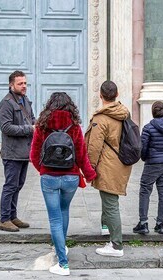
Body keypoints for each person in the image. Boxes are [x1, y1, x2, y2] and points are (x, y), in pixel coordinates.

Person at [30, 92, 96, 276]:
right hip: (71, 178)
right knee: (64, 210)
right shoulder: (74, 126)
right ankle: (62, 246)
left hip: (49, 177)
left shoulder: (42, 124)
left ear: (49, 104)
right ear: (70, 105)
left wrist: (43, 170)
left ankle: (63, 263)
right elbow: (82, 155)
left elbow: (34, 154)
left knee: (54, 218)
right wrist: (89, 174)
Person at [85, 80, 132, 257]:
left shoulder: (101, 118)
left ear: (100, 95)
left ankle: (116, 245)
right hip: (120, 162)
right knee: (109, 200)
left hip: (108, 165)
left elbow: (94, 147)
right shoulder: (123, 113)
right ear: (117, 94)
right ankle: (106, 229)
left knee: (110, 203)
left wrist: (89, 168)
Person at [133, 101, 163, 235]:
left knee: (145, 191)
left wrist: (146, 158)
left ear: (153, 112)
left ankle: (143, 223)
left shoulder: (148, 127)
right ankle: (161, 224)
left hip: (152, 163)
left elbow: (143, 147)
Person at [0, 70, 36, 232]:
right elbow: (6, 127)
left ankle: (13, 216)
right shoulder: (6, 103)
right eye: (20, 83)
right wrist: (30, 129)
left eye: (25, 83)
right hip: (12, 153)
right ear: (11, 85)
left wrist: (38, 125)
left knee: (18, 185)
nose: (23, 86)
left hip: (23, 153)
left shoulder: (25, 100)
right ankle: (4, 219)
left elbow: (32, 119)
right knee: (10, 185)